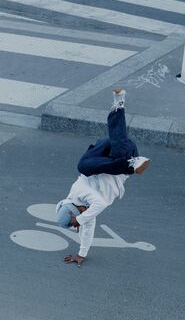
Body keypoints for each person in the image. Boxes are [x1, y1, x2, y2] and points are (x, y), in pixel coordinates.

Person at [56, 89, 150, 266]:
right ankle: (118, 106)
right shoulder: (84, 211)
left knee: (82, 166)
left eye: (81, 215)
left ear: (77, 209)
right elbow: (87, 229)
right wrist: (81, 254)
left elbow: (100, 204)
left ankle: (131, 162)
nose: (86, 216)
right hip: (122, 154)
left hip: (104, 152)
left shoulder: (79, 192)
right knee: (120, 149)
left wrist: (80, 219)